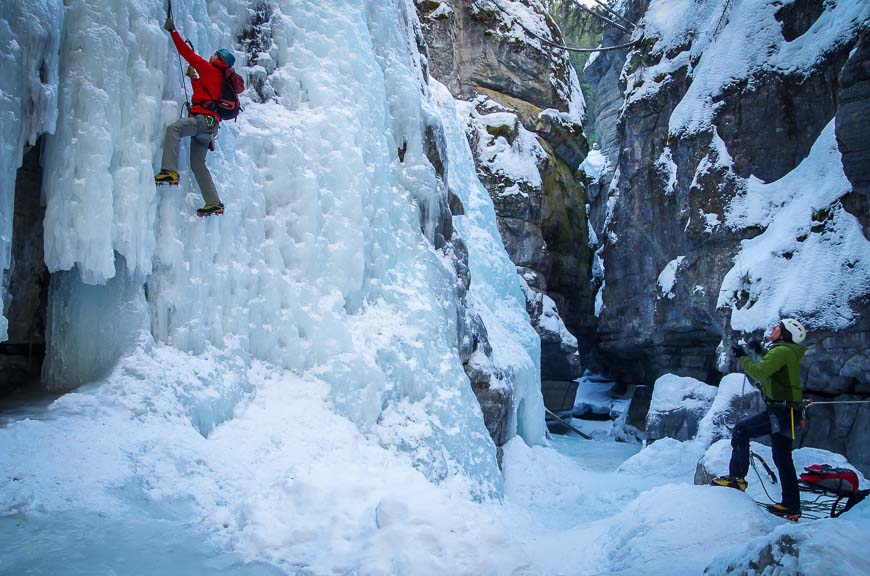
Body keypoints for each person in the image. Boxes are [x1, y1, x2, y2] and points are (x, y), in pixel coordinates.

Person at [712, 318, 808, 520]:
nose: (773, 329)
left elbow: (760, 371)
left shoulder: (782, 351)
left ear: (784, 334)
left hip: (781, 411)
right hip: (785, 411)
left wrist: (743, 357)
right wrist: (759, 351)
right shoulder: (786, 351)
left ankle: (737, 478)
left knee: (741, 431)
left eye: (777, 328)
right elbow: (772, 366)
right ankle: (791, 505)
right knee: (782, 458)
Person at [155, 16, 235, 217]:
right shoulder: (217, 79)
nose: (211, 56)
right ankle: (214, 202)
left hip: (201, 122)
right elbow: (204, 95)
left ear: (219, 60)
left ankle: (169, 171)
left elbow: (186, 53)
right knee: (197, 164)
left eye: (215, 55)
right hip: (210, 128)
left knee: (174, 129)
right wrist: (193, 78)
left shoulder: (209, 69)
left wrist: (173, 31)